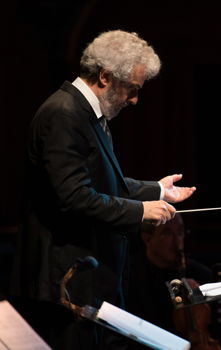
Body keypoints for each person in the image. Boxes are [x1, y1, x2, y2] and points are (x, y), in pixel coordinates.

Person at [10, 30, 196, 349]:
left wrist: (158, 192)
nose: (135, 100)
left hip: (84, 284)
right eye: (132, 90)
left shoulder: (88, 115)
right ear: (106, 77)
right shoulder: (64, 113)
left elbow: (101, 184)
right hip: (65, 286)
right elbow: (73, 196)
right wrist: (140, 212)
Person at [127, 214, 217, 349]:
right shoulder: (130, 275)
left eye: (180, 232)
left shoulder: (202, 274)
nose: (177, 242)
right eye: (167, 233)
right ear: (147, 238)